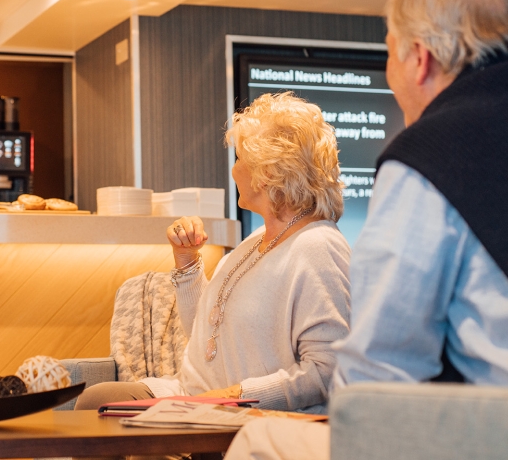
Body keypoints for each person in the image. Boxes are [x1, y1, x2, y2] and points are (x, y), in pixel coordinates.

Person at [225, 0, 508, 460]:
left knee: (259, 441)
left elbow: (379, 368)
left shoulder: (427, 158)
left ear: (420, 59)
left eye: (389, 54)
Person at [75, 92, 351, 413]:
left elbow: (328, 370)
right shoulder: (258, 239)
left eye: (240, 160)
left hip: (241, 412)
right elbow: (203, 334)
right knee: (96, 401)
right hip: (194, 396)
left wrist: (235, 394)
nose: (235, 172)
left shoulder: (319, 247)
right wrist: (187, 262)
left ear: (266, 174)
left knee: (106, 417)